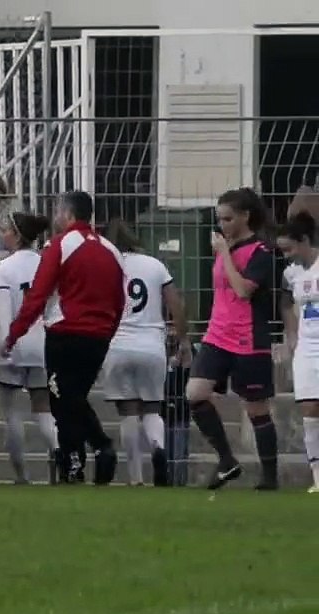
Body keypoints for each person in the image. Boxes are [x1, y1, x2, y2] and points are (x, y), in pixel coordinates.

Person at [5, 190, 125, 486]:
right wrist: (108, 332)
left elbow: (39, 293)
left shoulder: (60, 245)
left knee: (61, 399)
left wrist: (15, 332)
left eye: (59, 211)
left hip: (65, 332)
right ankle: (93, 451)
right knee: (75, 397)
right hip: (98, 336)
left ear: (68, 214)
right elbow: (119, 300)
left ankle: (80, 458)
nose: (56, 217)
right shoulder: (111, 250)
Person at [186, 188, 282, 491]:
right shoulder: (226, 247)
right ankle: (227, 461)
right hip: (218, 333)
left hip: (247, 336)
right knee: (195, 392)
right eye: (219, 219)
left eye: (228, 218)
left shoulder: (261, 252)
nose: (222, 225)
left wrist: (225, 254)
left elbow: (242, 291)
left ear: (245, 216)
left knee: (255, 408)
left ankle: (269, 477)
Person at [100, 219, 192, 487]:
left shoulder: (107, 267)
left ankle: (136, 477)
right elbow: (175, 303)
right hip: (151, 345)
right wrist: (183, 340)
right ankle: (158, 447)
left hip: (118, 344)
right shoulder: (154, 265)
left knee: (128, 411)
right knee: (152, 408)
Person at [0, 212, 60, 484]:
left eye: (5, 229)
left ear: (16, 235)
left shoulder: (4, 270)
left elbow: (4, 318)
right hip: (43, 344)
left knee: (12, 413)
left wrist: (4, 345)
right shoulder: (46, 265)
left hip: (14, 346)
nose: (1, 233)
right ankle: (58, 455)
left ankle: (22, 476)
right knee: (43, 409)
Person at [277, 211, 319, 493]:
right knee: (309, 408)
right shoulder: (291, 273)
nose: (286, 255)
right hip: (307, 346)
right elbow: (285, 303)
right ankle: (318, 476)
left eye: (289, 248)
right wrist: (291, 335)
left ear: (304, 241)